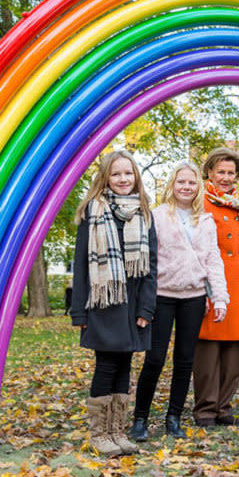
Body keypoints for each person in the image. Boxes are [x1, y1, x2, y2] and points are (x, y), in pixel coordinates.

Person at [129, 161, 229, 441]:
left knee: (185, 360)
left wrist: (219, 297)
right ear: (172, 185)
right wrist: (143, 301)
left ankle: (173, 417)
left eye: (191, 182)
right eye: (181, 182)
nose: (186, 187)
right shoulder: (157, 216)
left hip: (194, 296)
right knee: (155, 358)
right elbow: (147, 259)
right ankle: (140, 419)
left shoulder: (205, 220)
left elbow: (213, 260)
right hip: (162, 295)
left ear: (198, 187)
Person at [70, 150, 157, 455]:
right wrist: (78, 310)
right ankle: (99, 435)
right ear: (105, 178)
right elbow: (80, 265)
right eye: (116, 174)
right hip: (104, 303)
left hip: (133, 306)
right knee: (106, 366)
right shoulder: (92, 213)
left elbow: (151, 267)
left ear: (136, 178)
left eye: (128, 173)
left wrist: (147, 308)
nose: (123, 179)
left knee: (124, 366)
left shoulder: (145, 214)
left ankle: (117, 432)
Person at [192, 147, 239, 427]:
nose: (226, 177)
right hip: (211, 281)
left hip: (238, 281)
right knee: (207, 350)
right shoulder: (200, 202)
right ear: (209, 172)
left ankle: (224, 407)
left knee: (233, 350)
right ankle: (205, 408)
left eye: (231, 173)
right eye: (221, 172)